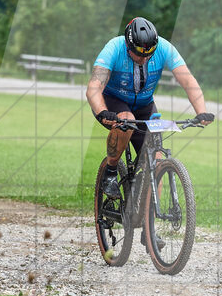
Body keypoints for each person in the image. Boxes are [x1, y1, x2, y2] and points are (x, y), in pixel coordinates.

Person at [86, 17, 213, 205]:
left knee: (156, 160)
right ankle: (111, 172)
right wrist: (102, 112)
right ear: (128, 46)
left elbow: (188, 81)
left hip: (145, 105)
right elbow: (93, 88)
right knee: (126, 121)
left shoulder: (164, 48)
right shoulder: (114, 47)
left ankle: (149, 229)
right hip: (115, 101)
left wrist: (201, 111)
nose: (144, 58)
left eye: (149, 54)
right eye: (139, 54)